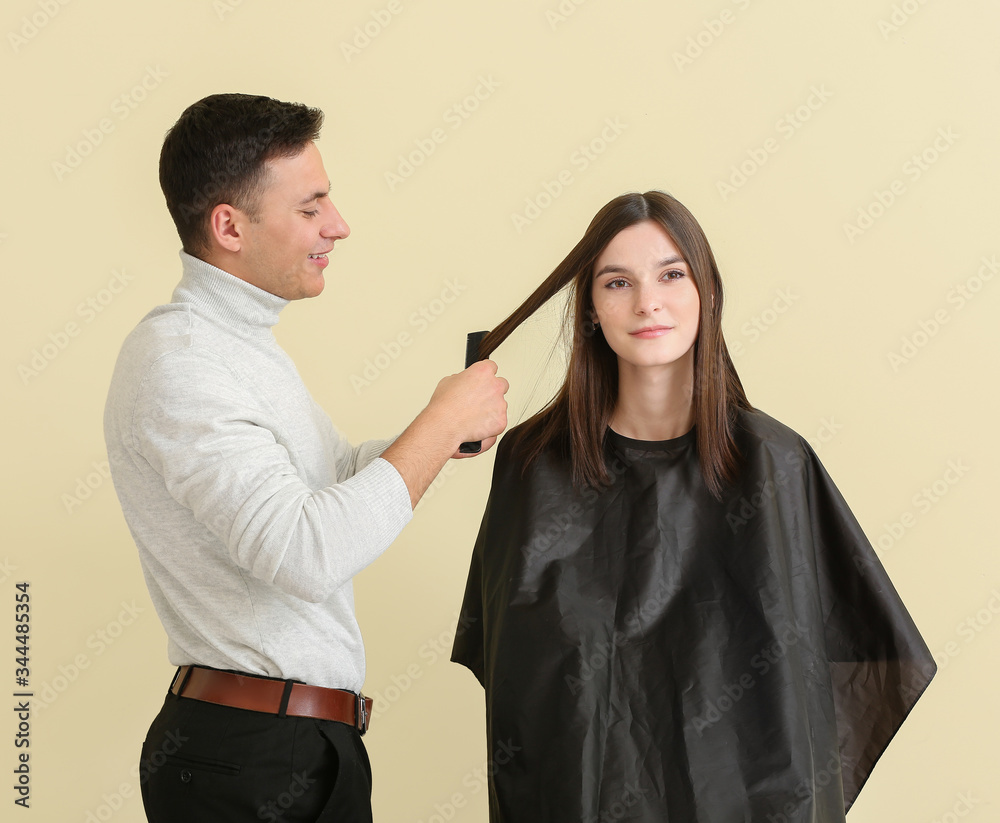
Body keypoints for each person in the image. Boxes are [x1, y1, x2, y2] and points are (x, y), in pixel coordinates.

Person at [451, 191, 935, 822]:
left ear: (707, 292)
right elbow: (510, 666)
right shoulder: (533, 464)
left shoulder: (774, 464)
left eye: (672, 275)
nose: (648, 302)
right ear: (591, 310)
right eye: (617, 282)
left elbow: (859, 656)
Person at [103, 93, 508, 823]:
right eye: (311, 206)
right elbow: (304, 550)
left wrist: (441, 436)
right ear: (229, 225)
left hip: (295, 745)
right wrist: (440, 423)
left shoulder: (239, 346)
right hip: (250, 757)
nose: (339, 225)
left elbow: (332, 481)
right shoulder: (183, 362)